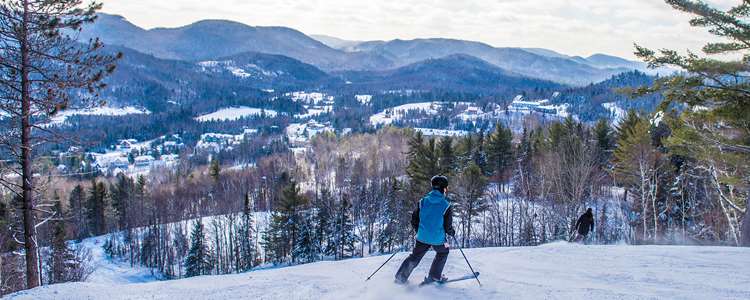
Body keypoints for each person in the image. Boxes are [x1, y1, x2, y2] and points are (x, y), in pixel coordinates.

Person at [394, 175, 455, 284]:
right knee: (443, 252)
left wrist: (420, 231)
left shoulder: (422, 201)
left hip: (422, 237)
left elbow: (414, 219)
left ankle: (400, 277)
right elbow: (447, 226)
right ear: (444, 188)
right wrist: (451, 232)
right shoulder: (446, 205)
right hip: (438, 239)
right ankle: (434, 277)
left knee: (415, 257)